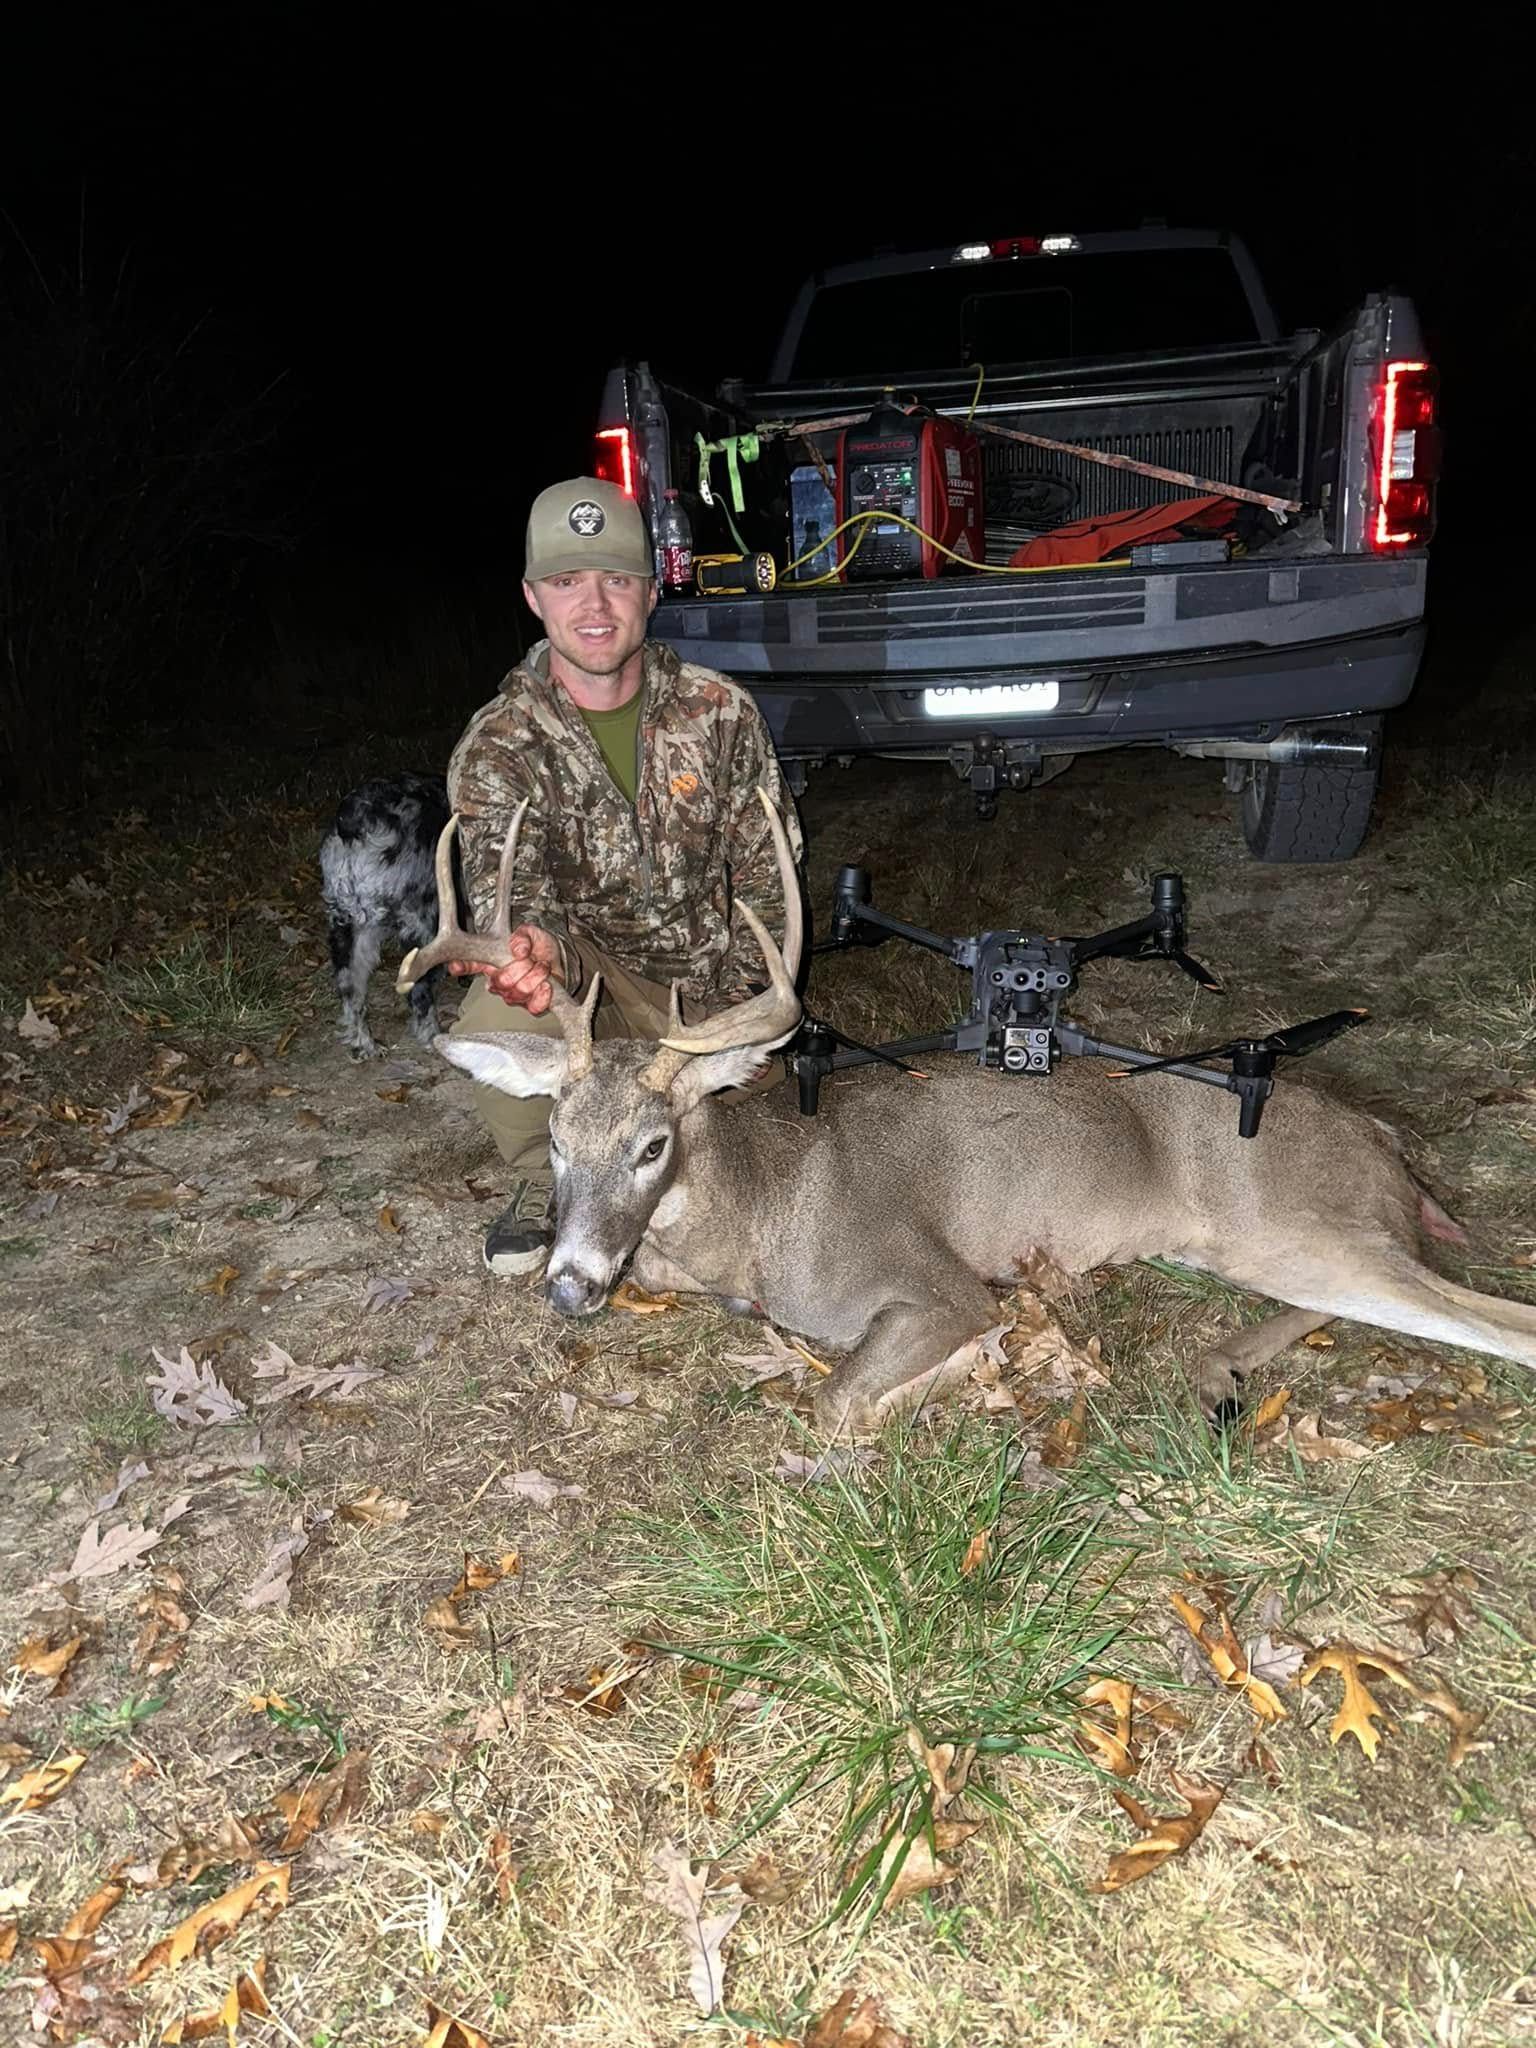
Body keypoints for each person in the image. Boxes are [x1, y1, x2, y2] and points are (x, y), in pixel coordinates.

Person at [446, 476, 804, 1275]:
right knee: (493, 1016)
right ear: (534, 597)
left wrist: (733, 1023)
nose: (596, 604)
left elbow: (769, 889)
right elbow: (516, 902)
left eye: (617, 578)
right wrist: (532, 956)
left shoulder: (721, 713)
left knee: (766, 1111)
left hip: (712, 998)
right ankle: (565, 1185)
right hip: (598, 1005)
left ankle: (678, 1170)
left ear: (651, 590)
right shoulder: (499, 746)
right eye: (568, 581)